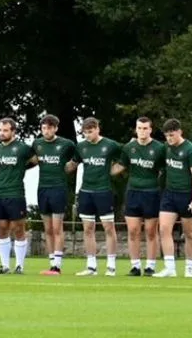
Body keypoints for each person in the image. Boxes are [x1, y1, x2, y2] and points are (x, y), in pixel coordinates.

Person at [153, 118, 192, 278]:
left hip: (186, 194)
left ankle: (189, 267)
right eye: (167, 135)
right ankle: (169, 267)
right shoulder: (166, 148)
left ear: (180, 132)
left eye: (172, 135)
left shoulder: (190, 150)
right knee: (164, 229)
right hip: (169, 193)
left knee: (189, 232)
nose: (169, 138)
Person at [73, 117, 122, 276]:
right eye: (85, 132)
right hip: (86, 191)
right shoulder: (81, 147)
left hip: (103, 191)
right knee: (88, 228)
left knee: (109, 227)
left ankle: (111, 265)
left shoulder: (110, 145)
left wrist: (114, 170)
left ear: (97, 129)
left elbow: (125, 157)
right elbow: (73, 163)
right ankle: (91, 266)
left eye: (91, 131)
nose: (88, 135)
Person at [119, 115, 167, 277]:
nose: (142, 131)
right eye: (139, 128)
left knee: (151, 231)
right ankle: (135, 266)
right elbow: (121, 166)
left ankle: (150, 266)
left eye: (145, 128)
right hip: (133, 192)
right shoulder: (128, 148)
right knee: (133, 230)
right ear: (136, 129)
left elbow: (163, 169)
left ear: (150, 130)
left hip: (151, 193)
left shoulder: (159, 148)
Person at [31, 114, 76, 275]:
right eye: (43, 128)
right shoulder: (37, 144)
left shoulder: (66, 144)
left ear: (55, 128)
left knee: (57, 228)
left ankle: (58, 264)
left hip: (58, 188)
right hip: (42, 189)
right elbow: (32, 160)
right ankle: (51, 263)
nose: (46, 131)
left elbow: (78, 158)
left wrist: (69, 169)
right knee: (47, 228)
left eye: (49, 128)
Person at [0, 117, 33, 274]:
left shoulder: (22, 148)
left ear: (13, 131)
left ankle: (19, 265)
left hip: (16, 193)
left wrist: (21, 168)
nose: (2, 133)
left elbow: (34, 160)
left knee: (18, 228)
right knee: (1, 228)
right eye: (0, 130)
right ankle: (5, 265)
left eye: (5, 130)